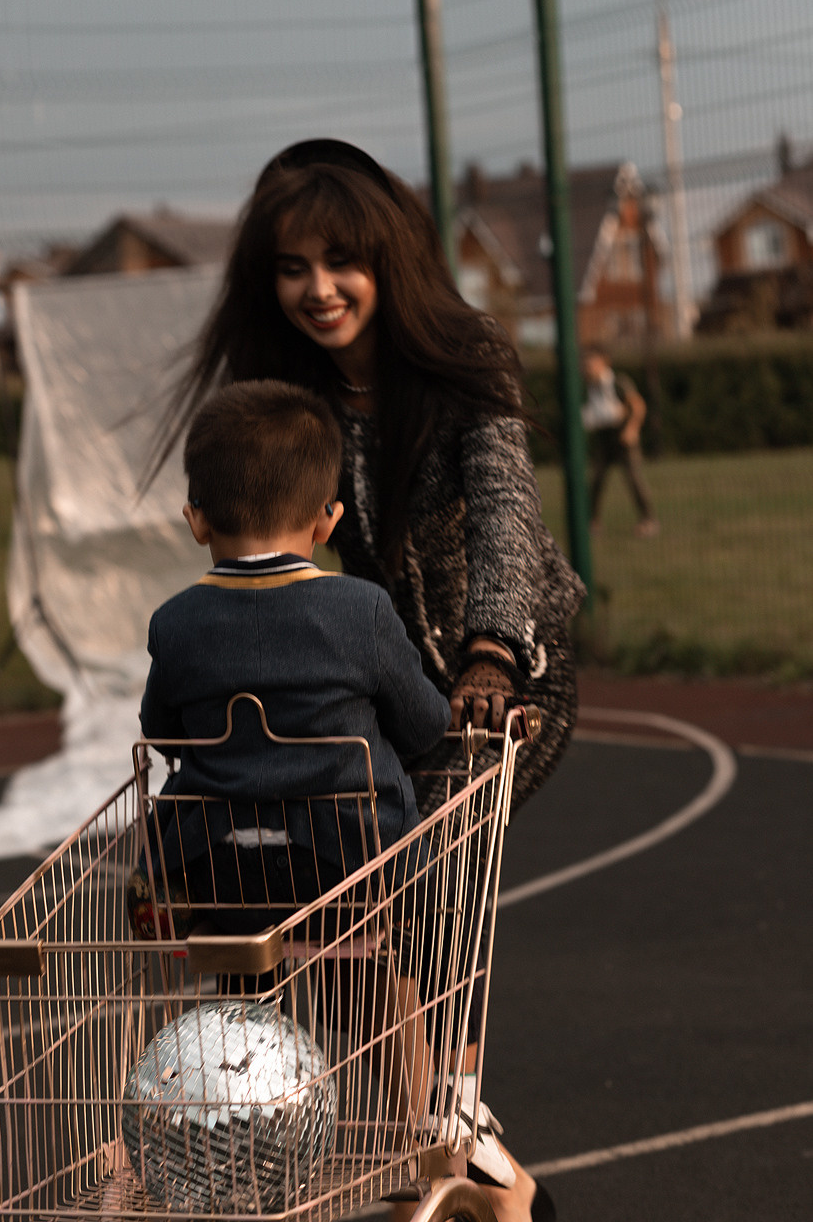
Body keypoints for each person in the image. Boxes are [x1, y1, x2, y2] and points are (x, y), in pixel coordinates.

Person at [151, 138, 584, 1222]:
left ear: (386, 258)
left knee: (419, 843)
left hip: (503, 682)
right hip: (375, 683)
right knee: (324, 872)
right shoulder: (288, 389)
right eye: (292, 267)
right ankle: (451, 1144)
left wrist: (492, 650)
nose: (318, 288)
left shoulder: (462, 356)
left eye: (341, 260)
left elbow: (504, 514)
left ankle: (447, 1108)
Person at [139, 378, 451, 906]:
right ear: (328, 520)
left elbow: (163, 737)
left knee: (222, 915)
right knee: (403, 935)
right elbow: (425, 727)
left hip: (216, 868)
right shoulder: (364, 609)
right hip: (354, 865)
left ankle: (196, 935)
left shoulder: (174, 622)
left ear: (197, 520)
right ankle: (398, 978)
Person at [581, 344, 659, 537]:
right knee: (597, 480)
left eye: (592, 362)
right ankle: (593, 522)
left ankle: (648, 520)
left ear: (603, 362)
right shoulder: (587, 386)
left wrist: (632, 429)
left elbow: (638, 405)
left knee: (634, 479)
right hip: (603, 437)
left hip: (622, 436)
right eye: (585, 363)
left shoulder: (618, 382)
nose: (587, 366)